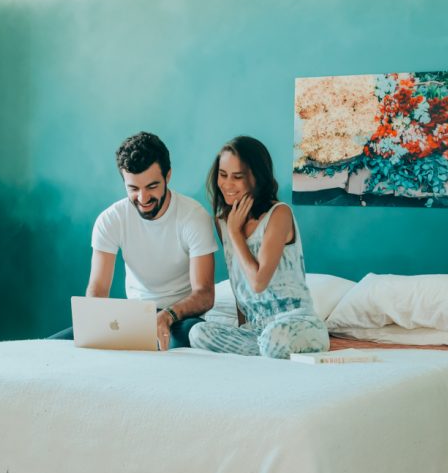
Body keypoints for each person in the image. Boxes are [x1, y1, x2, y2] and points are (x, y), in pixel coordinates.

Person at [50, 132, 217, 349]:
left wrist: (168, 315)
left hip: (180, 319)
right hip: (133, 318)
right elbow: (98, 289)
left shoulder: (193, 217)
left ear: (168, 177)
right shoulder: (111, 220)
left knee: (195, 337)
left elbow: (204, 295)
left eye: (151, 186)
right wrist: (93, 328)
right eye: (133, 188)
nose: (143, 198)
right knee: (51, 347)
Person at [189, 136, 329, 358]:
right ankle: (265, 352)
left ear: (257, 178)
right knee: (197, 333)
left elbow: (257, 282)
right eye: (223, 175)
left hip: (295, 323)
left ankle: (267, 349)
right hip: (255, 330)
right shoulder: (223, 222)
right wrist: (242, 326)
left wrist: (236, 234)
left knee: (275, 339)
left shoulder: (279, 214)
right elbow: (239, 286)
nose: (227, 184)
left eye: (237, 177)